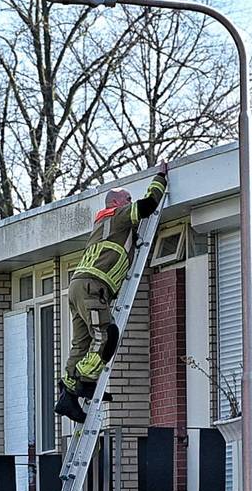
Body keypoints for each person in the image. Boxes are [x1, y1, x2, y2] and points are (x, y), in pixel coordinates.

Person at [54, 166, 168, 422]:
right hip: (94, 286)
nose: (130, 202)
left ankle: (68, 396)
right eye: (127, 199)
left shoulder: (103, 223)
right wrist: (159, 179)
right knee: (108, 335)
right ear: (116, 203)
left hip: (79, 287)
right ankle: (83, 380)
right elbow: (148, 204)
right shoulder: (118, 216)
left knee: (81, 343)